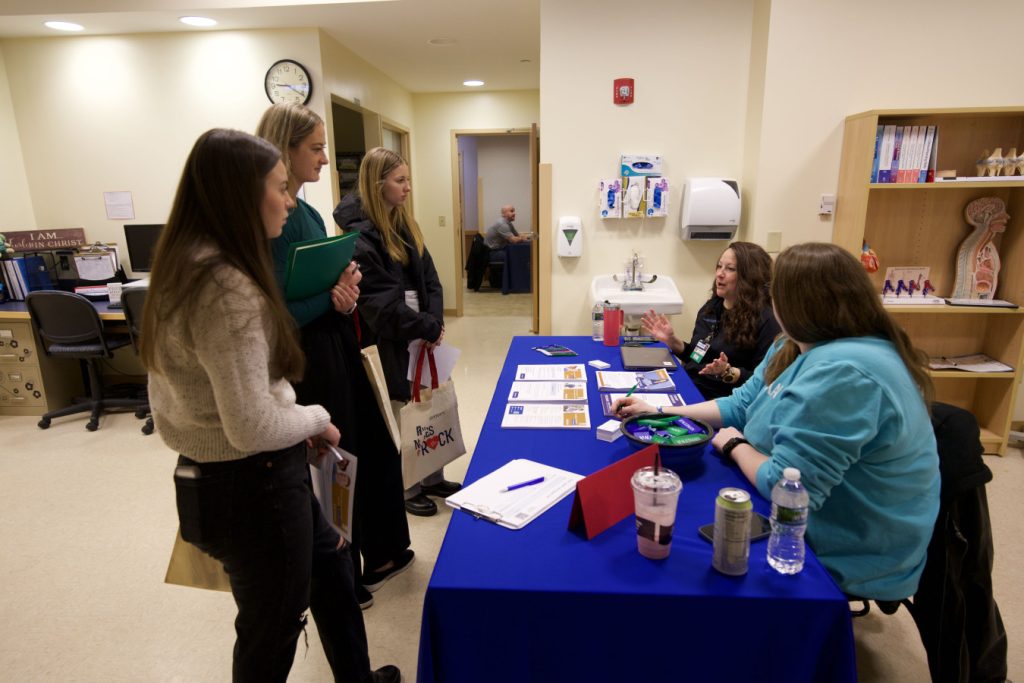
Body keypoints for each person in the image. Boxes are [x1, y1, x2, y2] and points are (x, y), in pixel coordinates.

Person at [141, 128, 399, 682]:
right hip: (250, 485)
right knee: (272, 628)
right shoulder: (224, 287)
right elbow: (251, 423)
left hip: (244, 473)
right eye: (279, 188)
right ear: (241, 195)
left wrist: (288, 420)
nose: (288, 200)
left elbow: (176, 399)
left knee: (330, 571)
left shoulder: (183, 265)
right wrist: (316, 419)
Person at [615, 242, 940, 600]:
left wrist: (736, 445)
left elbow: (786, 487)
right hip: (772, 486)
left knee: (683, 555)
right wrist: (659, 413)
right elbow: (740, 405)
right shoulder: (793, 344)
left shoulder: (847, 372)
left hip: (838, 547)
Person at [256, 103, 412, 610]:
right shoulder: (271, 220)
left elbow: (319, 283)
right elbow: (275, 308)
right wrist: (330, 296)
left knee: (372, 451)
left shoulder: (305, 212)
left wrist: (343, 290)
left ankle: (378, 555)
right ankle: (339, 574)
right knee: (334, 465)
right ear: (286, 148)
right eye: (316, 148)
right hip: (308, 357)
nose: (325, 159)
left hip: (335, 343)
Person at [335, 146, 462, 517]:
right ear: (378, 185)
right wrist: (424, 324)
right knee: (405, 409)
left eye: (408, 179)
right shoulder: (360, 237)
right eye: (400, 180)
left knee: (432, 402)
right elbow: (381, 307)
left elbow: (431, 279)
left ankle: (433, 476)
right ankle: (409, 488)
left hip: (422, 328)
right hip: (394, 335)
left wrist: (434, 322)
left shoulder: (404, 223)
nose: (407, 188)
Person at [641, 241, 780, 400]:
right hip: (691, 385)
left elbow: (766, 382)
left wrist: (728, 372)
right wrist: (675, 344)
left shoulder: (767, 320)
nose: (720, 274)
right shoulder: (712, 308)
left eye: (730, 269)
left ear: (750, 276)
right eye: (719, 266)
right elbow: (699, 357)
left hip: (722, 400)